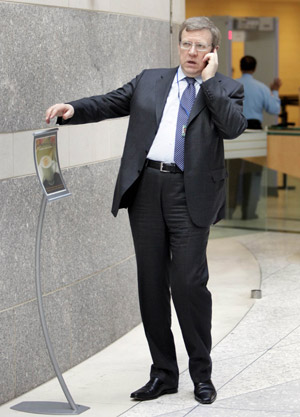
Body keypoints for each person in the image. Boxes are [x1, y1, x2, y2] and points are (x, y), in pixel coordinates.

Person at [45, 16, 247, 405]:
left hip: (191, 195)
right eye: (187, 44)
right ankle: (163, 373)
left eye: (200, 46)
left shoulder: (226, 88)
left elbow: (233, 127)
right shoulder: (151, 79)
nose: (192, 52)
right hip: (147, 189)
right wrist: (74, 108)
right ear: (179, 44)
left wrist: (208, 84)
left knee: (188, 284)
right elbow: (110, 101)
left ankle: (201, 373)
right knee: (151, 283)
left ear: (213, 51)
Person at [228, 56, 282, 219]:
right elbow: (274, 110)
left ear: (240, 66)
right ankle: (249, 211)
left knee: (232, 172)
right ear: (255, 68)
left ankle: (229, 210)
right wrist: (275, 91)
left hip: (234, 133)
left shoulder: (231, 86)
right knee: (252, 173)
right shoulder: (262, 88)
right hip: (254, 134)